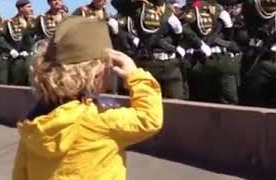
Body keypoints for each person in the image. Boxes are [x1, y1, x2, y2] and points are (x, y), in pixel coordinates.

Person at [12, 16, 163, 180]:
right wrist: (135, 75)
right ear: (95, 75)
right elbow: (149, 118)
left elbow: (20, 173)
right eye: (108, 69)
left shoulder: (34, 124)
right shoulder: (99, 120)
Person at [0, 0, 35, 86]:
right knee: (17, 81)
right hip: (15, 58)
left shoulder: (35, 21)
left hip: (31, 56)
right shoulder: (10, 22)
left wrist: (28, 50)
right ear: (21, 8)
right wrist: (11, 50)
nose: (31, 9)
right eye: (29, 7)